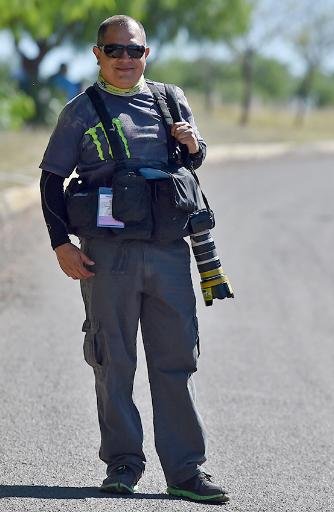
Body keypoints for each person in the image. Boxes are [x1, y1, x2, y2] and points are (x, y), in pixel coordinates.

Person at [39, 14, 229, 504]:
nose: (125, 59)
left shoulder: (171, 99)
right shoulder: (80, 111)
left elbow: (190, 162)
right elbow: (50, 179)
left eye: (134, 50)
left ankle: (185, 472)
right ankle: (123, 464)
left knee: (175, 361)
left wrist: (194, 145)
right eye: (115, 50)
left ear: (147, 53)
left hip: (168, 252)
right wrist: (62, 243)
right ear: (97, 54)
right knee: (113, 361)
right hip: (108, 257)